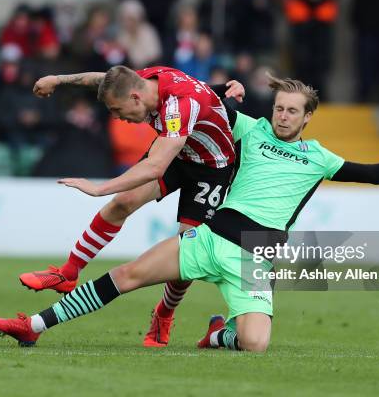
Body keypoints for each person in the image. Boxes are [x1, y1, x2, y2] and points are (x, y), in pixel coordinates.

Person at [0, 75, 379, 351]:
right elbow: (202, 102)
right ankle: (32, 327)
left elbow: (372, 172)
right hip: (210, 238)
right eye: (278, 107)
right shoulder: (251, 129)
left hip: (255, 259)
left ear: (306, 117)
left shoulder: (320, 157)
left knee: (255, 345)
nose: (282, 116)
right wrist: (224, 86)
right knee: (127, 275)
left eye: (292, 111)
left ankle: (219, 335)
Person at [20, 65, 244, 347]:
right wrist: (58, 78)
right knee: (123, 201)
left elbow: (156, 166)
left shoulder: (177, 106)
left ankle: (165, 313)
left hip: (212, 168)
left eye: (117, 110)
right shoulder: (147, 79)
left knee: (188, 248)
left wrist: (100, 188)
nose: (117, 117)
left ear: (136, 98)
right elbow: (106, 80)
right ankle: (68, 273)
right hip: (177, 151)